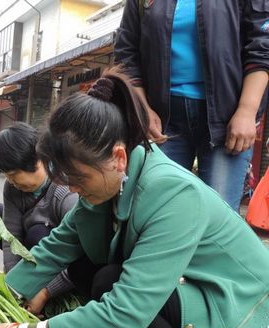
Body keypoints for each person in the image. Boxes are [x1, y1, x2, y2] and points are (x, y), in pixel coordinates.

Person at [0, 70, 269, 328]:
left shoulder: (173, 194)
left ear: (117, 156)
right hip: (194, 294)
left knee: (113, 285)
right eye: (66, 181)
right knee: (100, 276)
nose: (74, 191)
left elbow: (128, 310)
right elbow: (53, 249)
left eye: (78, 180)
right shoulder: (111, 181)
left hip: (238, 311)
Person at [114, 0, 269, 212]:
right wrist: (144, 111)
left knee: (218, 217)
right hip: (162, 124)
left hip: (228, 121)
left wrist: (247, 110)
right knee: (158, 213)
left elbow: (262, 46)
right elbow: (126, 53)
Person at [0, 123, 79, 312]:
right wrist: (12, 287)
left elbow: (79, 254)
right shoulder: (12, 188)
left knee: (38, 233)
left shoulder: (66, 191)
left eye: (14, 175)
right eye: (7, 176)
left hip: (64, 259)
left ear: (39, 160)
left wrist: (46, 291)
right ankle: (27, 282)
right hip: (30, 245)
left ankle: (49, 295)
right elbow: (11, 237)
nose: (12, 182)